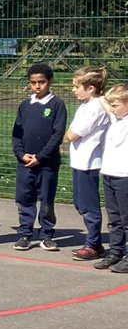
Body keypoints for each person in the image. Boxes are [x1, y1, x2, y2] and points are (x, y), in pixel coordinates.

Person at [11, 63, 68, 251]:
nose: (37, 86)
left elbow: (57, 134)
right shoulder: (25, 105)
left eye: (41, 82)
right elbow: (16, 133)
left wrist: (41, 156)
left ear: (49, 82)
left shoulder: (57, 105)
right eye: (33, 82)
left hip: (47, 163)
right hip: (25, 163)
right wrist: (21, 154)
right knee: (24, 198)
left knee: (46, 199)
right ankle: (25, 234)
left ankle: (47, 234)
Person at [65, 66, 111, 261]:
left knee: (88, 204)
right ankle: (94, 241)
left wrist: (69, 133)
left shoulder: (95, 108)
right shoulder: (87, 105)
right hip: (80, 161)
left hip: (89, 162)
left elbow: (72, 134)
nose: (74, 90)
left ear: (91, 88)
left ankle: (93, 243)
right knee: (79, 202)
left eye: (77, 86)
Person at [96, 84, 128, 272]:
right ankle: (116, 252)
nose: (112, 109)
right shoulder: (116, 119)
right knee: (114, 217)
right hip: (109, 174)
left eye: (116, 105)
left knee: (127, 218)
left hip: (125, 177)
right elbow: (103, 100)